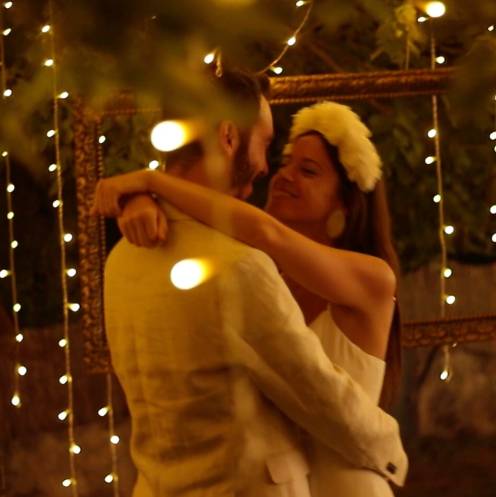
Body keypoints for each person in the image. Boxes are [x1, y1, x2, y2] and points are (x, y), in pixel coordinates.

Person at [95, 68, 407, 496]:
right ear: (228, 137)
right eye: (271, 151)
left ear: (347, 202)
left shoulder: (121, 260)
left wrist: (149, 185)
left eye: (308, 170)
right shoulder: (246, 267)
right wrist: (146, 192)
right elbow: (316, 393)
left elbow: (264, 232)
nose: (270, 170)